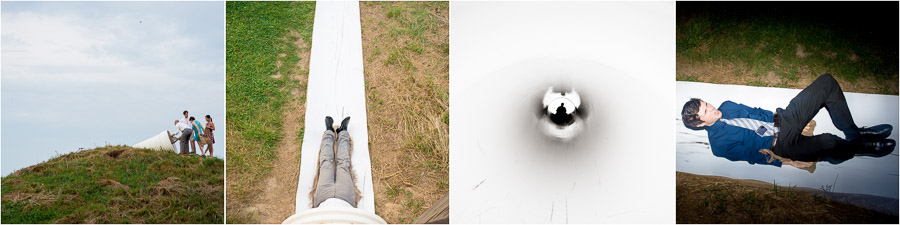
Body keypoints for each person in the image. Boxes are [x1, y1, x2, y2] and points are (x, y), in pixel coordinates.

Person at [681, 74, 895, 168]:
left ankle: (855, 135)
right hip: (781, 144)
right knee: (829, 142)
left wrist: (781, 116)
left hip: (783, 119)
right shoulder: (719, 146)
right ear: (700, 124)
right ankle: (860, 147)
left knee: (826, 83)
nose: (713, 109)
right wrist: (787, 162)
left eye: (707, 104)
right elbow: (752, 157)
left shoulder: (726, 105)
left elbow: (754, 110)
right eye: (706, 112)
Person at [311, 116, 358, 208]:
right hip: (345, 198)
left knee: (325, 163)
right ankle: (343, 132)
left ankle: (329, 131)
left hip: (323, 198)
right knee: (344, 164)